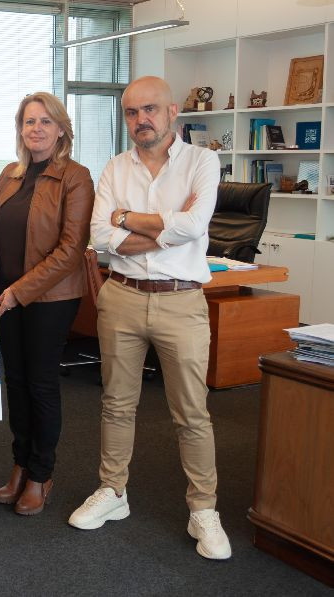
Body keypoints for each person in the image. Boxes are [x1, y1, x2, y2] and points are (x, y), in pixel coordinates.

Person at [68, 76, 231, 560]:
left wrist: (127, 218)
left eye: (150, 109)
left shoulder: (202, 162)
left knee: (192, 412)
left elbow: (194, 226)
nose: (141, 120)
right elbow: (100, 237)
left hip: (181, 301)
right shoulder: (115, 167)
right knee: (116, 404)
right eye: (132, 112)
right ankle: (113, 491)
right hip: (121, 296)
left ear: (172, 111)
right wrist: (164, 227)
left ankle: (203, 508)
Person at [0, 92, 95, 515]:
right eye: (29, 121)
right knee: (15, 383)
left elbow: (71, 250)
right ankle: (20, 463)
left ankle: (40, 473)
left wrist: (19, 291)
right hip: (6, 298)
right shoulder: (9, 175)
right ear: (20, 129)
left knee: (41, 384)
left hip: (50, 298)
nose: (36, 128)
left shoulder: (76, 177)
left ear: (61, 130)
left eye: (45, 121)